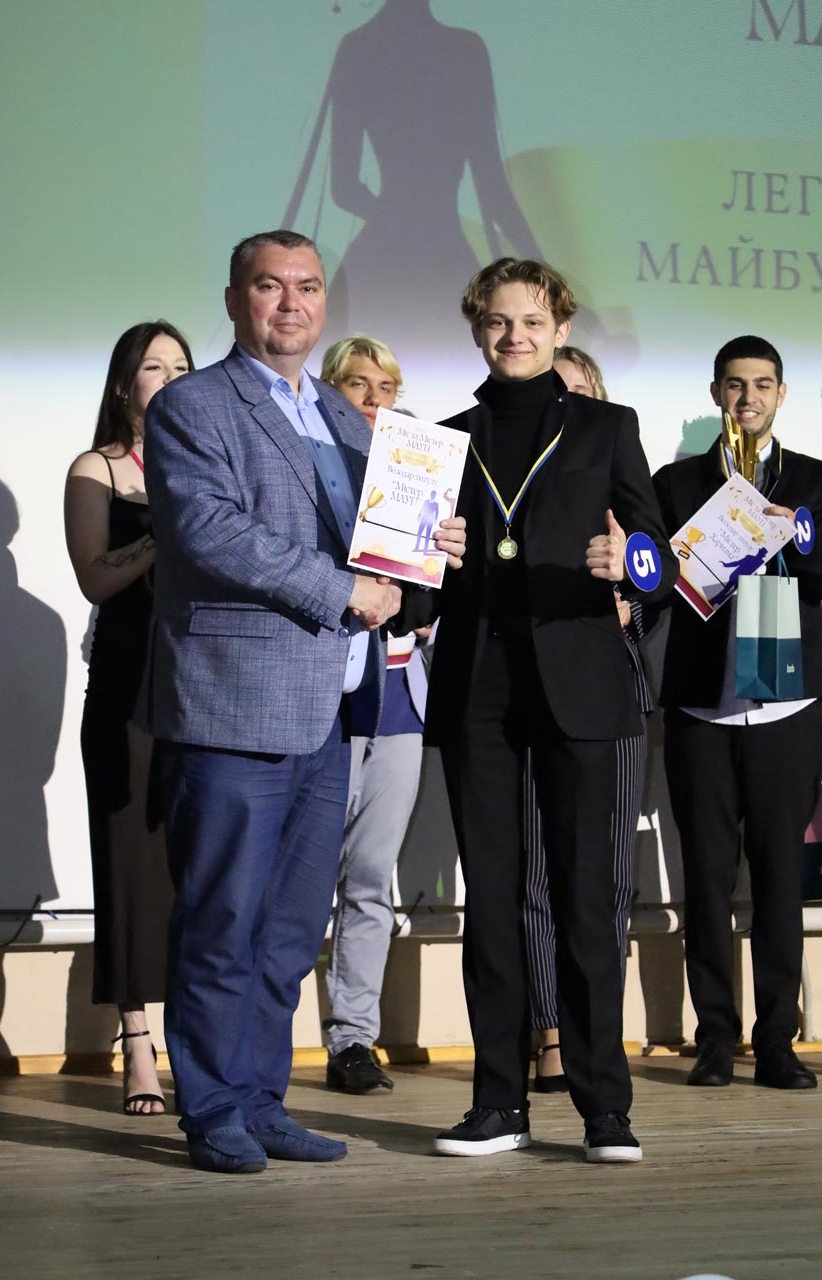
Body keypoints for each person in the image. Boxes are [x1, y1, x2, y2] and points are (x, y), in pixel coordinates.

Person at [142, 231, 466, 1174]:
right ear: (235, 298)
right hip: (234, 704)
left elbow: (379, 542)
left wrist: (428, 544)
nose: (292, 303)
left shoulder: (344, 415)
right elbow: (209, 531)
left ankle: (261, 1100)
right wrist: (341, 589)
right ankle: (213, 1111)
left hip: (332, 705)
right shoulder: (194, 405)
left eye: (309, 287)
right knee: (221, 922)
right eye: (270, 286)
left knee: (288, 931)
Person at [398, 257, 676, 1163]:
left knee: (586, 900)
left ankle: (605, 1110)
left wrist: (628, 563)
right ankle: (497, 1105)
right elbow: (410, 599)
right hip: (479, 692)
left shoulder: (605, 426)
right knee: (492, 904)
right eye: (496, 321)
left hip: (580, 686)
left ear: (560, 329)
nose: (513, 335)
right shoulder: (443, 441)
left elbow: (657, 556)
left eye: (530, 321)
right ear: (477, 331)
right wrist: (429, 557)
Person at [653, 335, 822, 1091]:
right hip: (702, 705)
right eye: (734, 384)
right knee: (707, 879)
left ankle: (777, 1041)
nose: (747, 397)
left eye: (761, 384)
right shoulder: (676, 482)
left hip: (786, 704)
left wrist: (794, 535)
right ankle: (715, 1038)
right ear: (715, 393)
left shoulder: (814, 479)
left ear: (781, 394)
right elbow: (654, 579)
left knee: (780, 879)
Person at [64, 320, 194, 1114]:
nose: (171, 378)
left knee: (195, 865)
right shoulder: (99, 468)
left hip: (200, 688)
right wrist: (164, 533)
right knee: (130, 863)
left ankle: (195, 1039)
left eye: (182, 366)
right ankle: (137, 1040)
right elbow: (93, 577)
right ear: (124, 384)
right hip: (125, 688)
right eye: (154, 367)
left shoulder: (207, 461)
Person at [523, 346, 652, 1094]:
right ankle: (549, 1032)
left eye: (575, 391)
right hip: (529, 686)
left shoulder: (618, 472)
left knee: (608, 876)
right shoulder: (514, 481)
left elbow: (659, 577)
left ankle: (599, 1034)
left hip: (609, 689)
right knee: (538, 874)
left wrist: (629, 594)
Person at [319, 335, 430, 1094]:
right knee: (298, 878)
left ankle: (352, 1039)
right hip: (321, 696)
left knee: (368, 878)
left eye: (385, 387)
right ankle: (259, 1038)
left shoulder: (416, 474)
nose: (372, 398)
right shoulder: (310, 465)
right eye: (356, 384)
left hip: (397, 700)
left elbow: (428, 595)